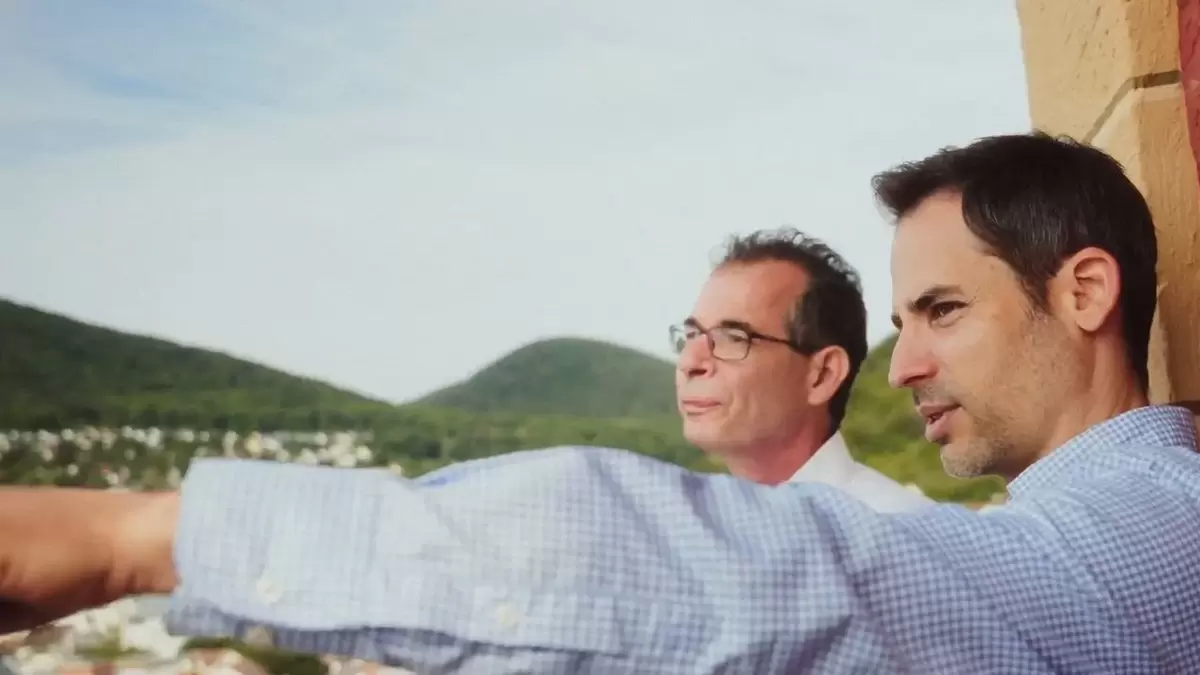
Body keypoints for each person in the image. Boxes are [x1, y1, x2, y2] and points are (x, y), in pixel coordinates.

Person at [5, 131, 1200, 674]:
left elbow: (770, 580)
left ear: (1083, 290)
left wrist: (134, 538)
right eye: (689, 334)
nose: (907, 366)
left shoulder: (1147, 536)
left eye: (942, 313)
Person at [673, 228, 930, 510]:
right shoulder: (694, 525)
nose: (689, 363)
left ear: (822, 375)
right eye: (692, 335)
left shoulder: (893, 531)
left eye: (733, 338)